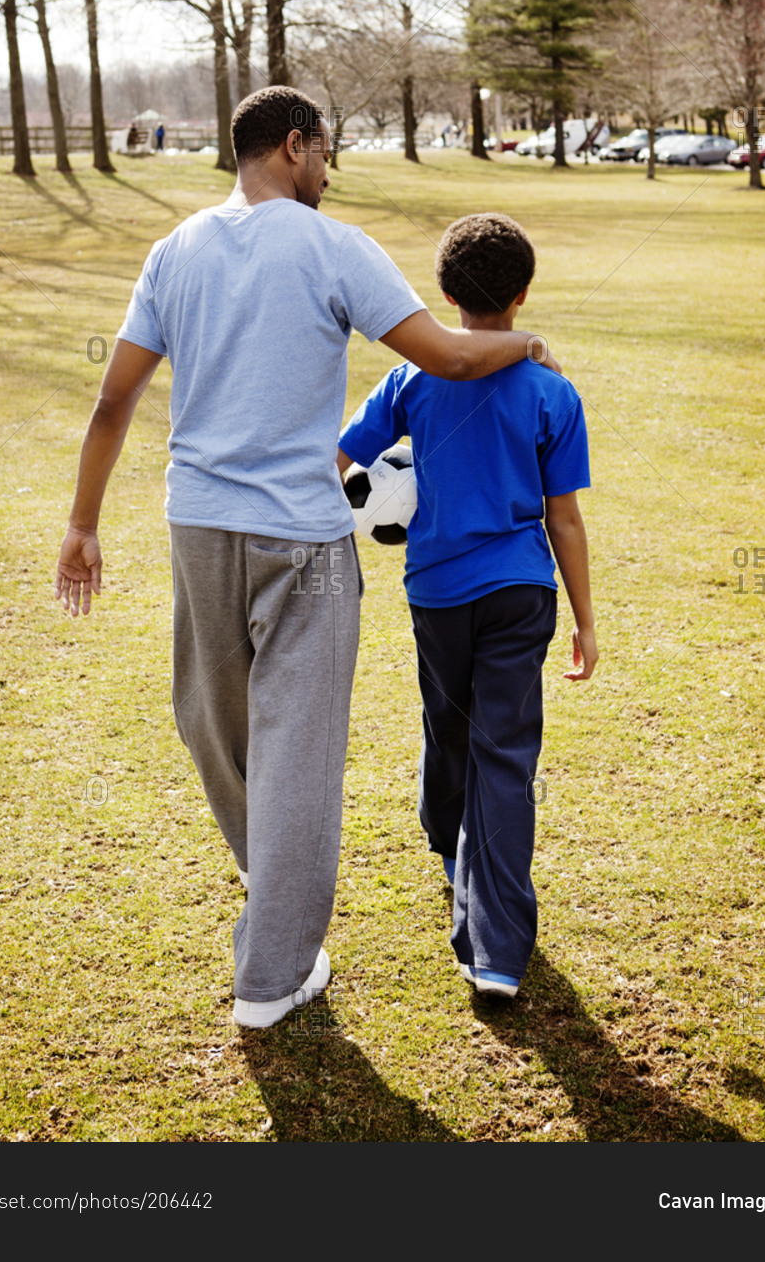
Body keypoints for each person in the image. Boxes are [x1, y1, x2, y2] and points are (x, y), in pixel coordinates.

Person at [54, 90, 561, 1029]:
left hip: (198, 528)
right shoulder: (334, 247)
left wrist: (83, 522)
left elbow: (112, 402)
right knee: (294, 748)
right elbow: (449, 358)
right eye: (325, 151)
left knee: (218, 725)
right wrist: (526, 341)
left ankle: (276, 932)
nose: (330, 170)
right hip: (304, 543)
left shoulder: (174, 250)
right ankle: (274, 974)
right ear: (294, 145)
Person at [337, 212, 596, 1001]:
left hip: (442, 598)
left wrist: (380, 488)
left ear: (446, 294)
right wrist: (587, 618)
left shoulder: (411, 380)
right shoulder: (554, 391)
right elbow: (565, 519)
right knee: (499, 758)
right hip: (524, 591)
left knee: (463, 740)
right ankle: (481, 917)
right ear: (523, 294)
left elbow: (341, 457)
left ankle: (480, 919)